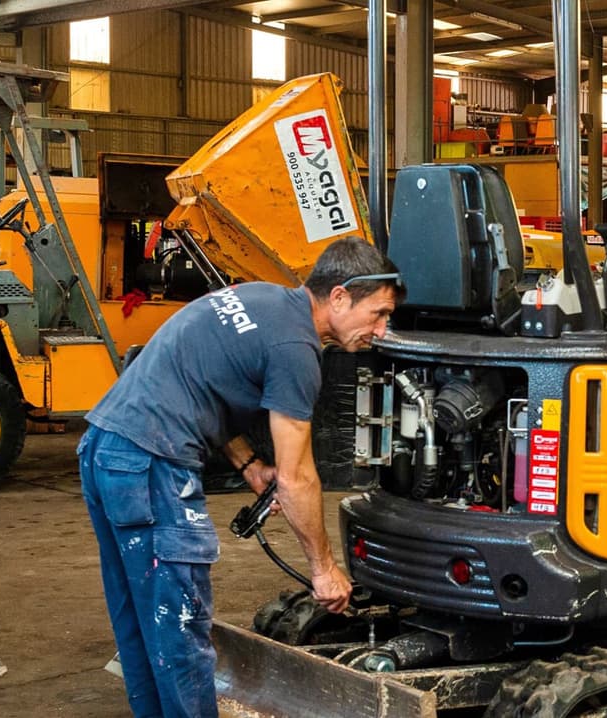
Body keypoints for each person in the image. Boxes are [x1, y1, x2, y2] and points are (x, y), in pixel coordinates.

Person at [78, 236, 404, 718]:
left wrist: (250, 463)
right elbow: (298, 479)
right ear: (338, 297)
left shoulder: (261, 298)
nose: (381, 328)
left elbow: (199, 376)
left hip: (106, 447)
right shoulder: (296, 348)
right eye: (377, 313)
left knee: (144, 619)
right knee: (181, 628)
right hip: (151, 463)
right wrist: (324, 570)